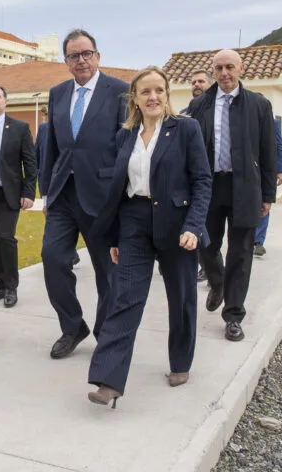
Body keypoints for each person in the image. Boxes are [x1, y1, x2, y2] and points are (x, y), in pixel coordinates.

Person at [87, 67, 212, 407]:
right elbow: (118, 190)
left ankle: (181, 361)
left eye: (159, 90)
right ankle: (108, 380)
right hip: (134, 223)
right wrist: (114, 236)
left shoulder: (187, 129)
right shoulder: (124, 136)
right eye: (146, 92)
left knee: (182, 297)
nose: (153, 97)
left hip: (177, 224)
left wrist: (193, 225)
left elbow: (202, 181)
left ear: (167, 94)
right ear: (136, 99)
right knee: (124, 298)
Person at [38, 29, 129, 359]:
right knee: (53, 259)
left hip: (103, 196)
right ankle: (72, 326)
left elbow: (126, 147)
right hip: (63, 194)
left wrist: (123, 197)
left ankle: (106, 331)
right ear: (66, 61)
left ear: (98, 56)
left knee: (108, 270)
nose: (82, 60)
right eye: (74, 55)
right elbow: (51, 146)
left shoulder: (119, 91)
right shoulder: (58, 93)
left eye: (87, 53)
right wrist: (46, 191)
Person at [186, 49, 277, 342]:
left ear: (241, 69)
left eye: (230, 67)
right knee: (203, 243)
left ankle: (234, 315)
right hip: (208, 187)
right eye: (219, 68)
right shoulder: (199, 105)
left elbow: (268, 151)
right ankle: (217, 281)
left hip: (245, 188)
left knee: (241, 253)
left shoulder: (258, 105)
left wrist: (268, 195)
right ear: (212, 71)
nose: (224, 73)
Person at [0, 84, 37, 308]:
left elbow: (30, 163)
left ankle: (12, 286)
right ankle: (0, 285)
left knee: (5, 237)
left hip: (8, 193)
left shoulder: (19, 128)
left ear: (5, 101)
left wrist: (29, 192)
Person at [36, 107, 80, 269]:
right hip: (51, 184)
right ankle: (70, 254)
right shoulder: (43, 129)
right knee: (54, 222)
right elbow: (39, 157)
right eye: (47, 115)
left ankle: (70, 253)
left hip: (73, 183)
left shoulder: (76, 128)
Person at [187, 69, 213, 281]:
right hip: (192, 180)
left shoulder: (219, 111)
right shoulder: (184, 113)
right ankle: (204, 266)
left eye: (201, 81)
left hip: (214, 177)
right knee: (198, 225)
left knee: (209, 229)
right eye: (194, 81)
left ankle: (213, 269)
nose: (197, 84)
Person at [253, 118, 282, 257]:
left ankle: (258, 242)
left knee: (264, 204)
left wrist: (281, 170)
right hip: (247, 169)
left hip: (266, 170)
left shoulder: (273, 123)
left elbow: (279, 145)